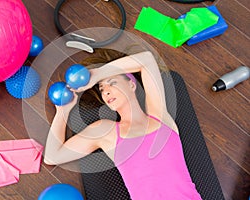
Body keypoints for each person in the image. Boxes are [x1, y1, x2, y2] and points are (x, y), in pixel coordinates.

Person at [44, 50, 202, 199]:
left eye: (112, 83)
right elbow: (52, 156)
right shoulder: (107, 131)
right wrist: (63, 112)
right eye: (102, 88)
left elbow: (146, 59)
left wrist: (99, 74)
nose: (106, 91)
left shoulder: (160, 117)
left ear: (132, 85)